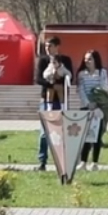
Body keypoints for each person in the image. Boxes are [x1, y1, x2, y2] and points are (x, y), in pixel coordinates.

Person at [34, 36, 74, 171]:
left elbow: (70, 77)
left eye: (50, 45)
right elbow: (38, 78)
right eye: (46, 45)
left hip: (61, 99)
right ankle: (42, 161)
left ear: (57, 46)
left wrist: (60, 84)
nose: (47, 48)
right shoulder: (43, 61)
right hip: (47, 100)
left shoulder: (66, 60)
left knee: (62, 130)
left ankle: (62, 160)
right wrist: (50, 84)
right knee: (44, 132)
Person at [76, 50, 108, 171]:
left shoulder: (102, 73)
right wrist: (88, 103)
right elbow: (80, 90)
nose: (87, 61)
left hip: (99, 107)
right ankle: (83, 162)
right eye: (85, 59)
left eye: (90, 59)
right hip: (86, 107)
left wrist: (97, 103)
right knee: (85, 135)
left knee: (96, 135)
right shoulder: (81, 74)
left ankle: (95, 163)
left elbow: (104, 88)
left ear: (95, 60)